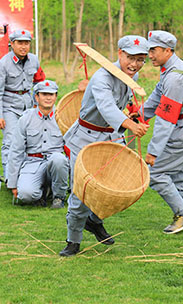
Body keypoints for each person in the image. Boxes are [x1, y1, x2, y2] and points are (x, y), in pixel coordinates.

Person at [59, 35, 150, 257]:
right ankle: (73, 240)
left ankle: (95, 220)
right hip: (85, 139)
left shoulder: (131, 76)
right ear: (119, 53)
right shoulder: (101, 78)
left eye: (140, 60)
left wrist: (132, 113)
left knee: (110, 187)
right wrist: (129, 124)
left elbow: (122, 103)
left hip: (111, 138)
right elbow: (107, 107)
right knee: (82, 191)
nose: (134, 64)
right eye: (130, 58)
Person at [141, 30, 183, 234]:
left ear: (167, 50)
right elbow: (156, 97)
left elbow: (166, 118)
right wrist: (138, 116)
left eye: (153, 50)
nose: (149, 55)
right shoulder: (171, 71)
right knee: (181, 178)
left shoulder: (174, 77)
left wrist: (153, 151)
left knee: (156, 173)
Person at [0, 29, 45, 183]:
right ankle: (9, 177)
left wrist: (39, 105)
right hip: (9, 106)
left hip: (28, 104)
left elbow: (39, 82)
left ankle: (27, 175)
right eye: (20, 43)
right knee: (11, 140)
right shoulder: (2, 64)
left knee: (30, 140)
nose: (23, 46)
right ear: (12, 44)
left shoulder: (34, 60)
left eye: (26, 43)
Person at [6, 80, 70, 208]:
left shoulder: (65, 117)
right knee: (26, 195)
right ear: (36, 96)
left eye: (51, 94)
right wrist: (12, 184)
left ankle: (59, 197)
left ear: (56, 96)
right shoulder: (25, 118)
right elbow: (16, 150)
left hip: (55, 163)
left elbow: (72, 149)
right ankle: (43, 192)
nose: (48, 97)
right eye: (44, 94)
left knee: (59, 159)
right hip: (32, 163)